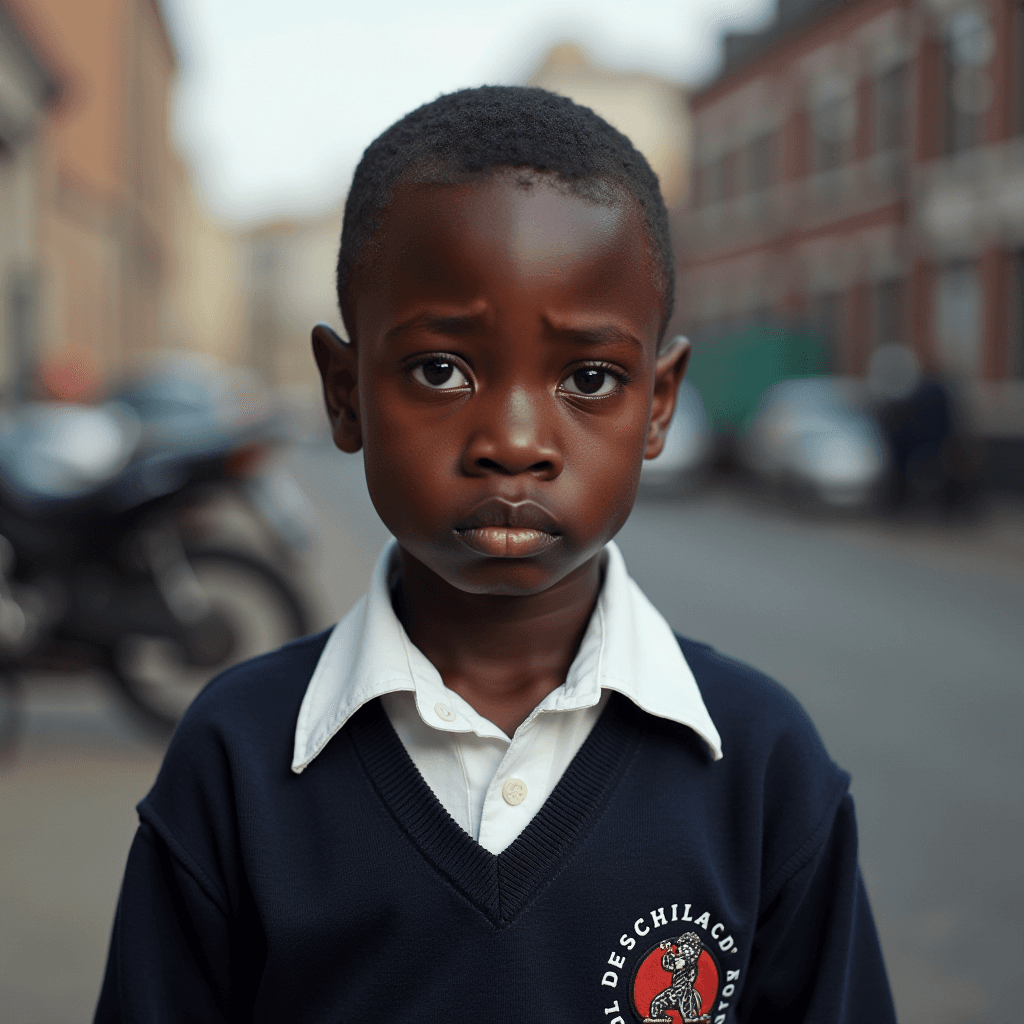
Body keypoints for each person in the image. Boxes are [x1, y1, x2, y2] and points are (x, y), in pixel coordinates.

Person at [94, 86, 895, 1023]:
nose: (514, 440)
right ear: (344, 394)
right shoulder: (237, 757)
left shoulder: (763, 767)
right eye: (441, 369)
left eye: (589, 378)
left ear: (660, 404)